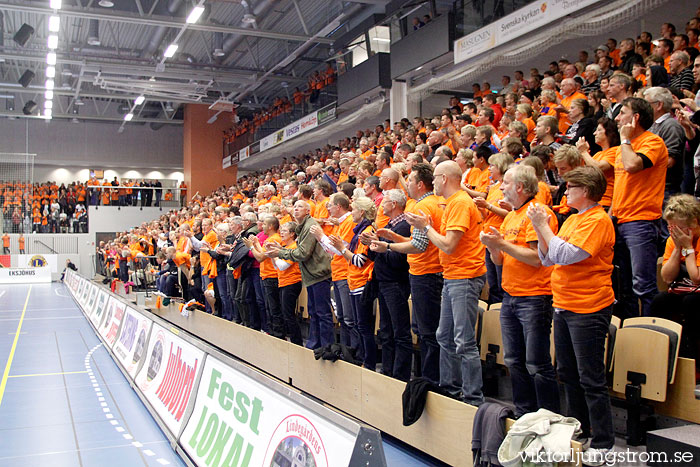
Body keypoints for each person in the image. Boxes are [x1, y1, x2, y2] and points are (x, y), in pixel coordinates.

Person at [527, 166, 615, 464]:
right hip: (564, 304)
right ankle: (579, 428)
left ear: (586, 191)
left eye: (570, 187)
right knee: (568, 373)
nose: (565, 192)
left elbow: (566, 255)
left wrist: (544, 226)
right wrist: (541, 229)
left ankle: (603, 440)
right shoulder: (574, 219)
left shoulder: (598, 220)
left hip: (589, 307)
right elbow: (547, 256)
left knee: (591, 377)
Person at [480, 164, 560, 417]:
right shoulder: (512, 215)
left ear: (520, 186)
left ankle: (548, 415)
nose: (500, 187)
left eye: (505, 182)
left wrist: (501, 243)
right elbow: (500, 261)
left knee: (537, 363)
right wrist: (493, 247)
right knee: (513, 360)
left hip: (535, 297)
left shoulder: (538, 213)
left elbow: (537, 258)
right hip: (511, 296)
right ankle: (524, 413)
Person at [406, 161, 486, 405]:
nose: (434, 183)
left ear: (444, 178)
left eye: (436, 178)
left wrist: (425, 227)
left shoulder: (460, 203)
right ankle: (450, 388)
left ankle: (472, 396)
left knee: (463, 340)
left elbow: (449, 245)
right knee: (444, 335)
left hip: (464, 276)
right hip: (453, 276)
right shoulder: (453, 203)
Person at [374, 163, 444, 385]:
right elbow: (416, 242)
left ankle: (428, 381)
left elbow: (419, 245)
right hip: (421, 273)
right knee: (420, 331)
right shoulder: (426, 205)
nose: (407, 185)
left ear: (420, 184)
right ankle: (423, 379)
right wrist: (392, 240)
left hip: (424, 273)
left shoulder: (423, 207)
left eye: (410, 181)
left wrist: (389, 246)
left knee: (426, 333)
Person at [613, 97, 669, 318]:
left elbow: (633, 166)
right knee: (624, 287)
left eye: (622, 113)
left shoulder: (652, 142)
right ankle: (630, 331)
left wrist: (625, 141)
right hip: (619, 220)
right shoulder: (622, 148)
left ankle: (647, 330)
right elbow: (619, 185)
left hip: (641, 221)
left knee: (643, 286)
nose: (617, 118)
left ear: (635, 118)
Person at [266, 200, 334, 350]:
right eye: (295, 206)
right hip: (311, 275)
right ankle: (315, 344)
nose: (296, 209)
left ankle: (326, 347)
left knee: (322, 313)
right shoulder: (302, 227)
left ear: (308, 211)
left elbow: (303, 253)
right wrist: (281, 249)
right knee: (314, 312)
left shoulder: (310, 226)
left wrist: (280, 252)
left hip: (318, 274)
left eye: (300, 207)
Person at [367, 189, 412, 381]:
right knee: (386, 331)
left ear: (394, 204)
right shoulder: (388, 226)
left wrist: (382, 247)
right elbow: (376, 255)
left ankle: (400, 375)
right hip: (384, 282)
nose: (381, 205)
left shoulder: (402, 227)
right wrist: (372, 244)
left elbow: (398, 260)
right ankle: (387, 371)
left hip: (396, 283)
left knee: (399, 331)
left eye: (384, 202)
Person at [651, 194, 700, 373]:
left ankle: (694, 362)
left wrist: (688, 248)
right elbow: (666, 277)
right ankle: (664, 359)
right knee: (660, 301)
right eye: (671, 227)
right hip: (684, 290)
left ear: (694, 222)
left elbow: (696, 277)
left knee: (691, 303)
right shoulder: (674, 240)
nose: (675, 232)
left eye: (680, 227)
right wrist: (678, 248)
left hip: (696, 294)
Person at [329, 197, 377, 370]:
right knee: (358, 324)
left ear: (362, 212)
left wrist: (342, 249)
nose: (352, 212)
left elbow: (358, 260)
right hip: (354, 282)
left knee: (363, 326)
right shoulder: (359, 231)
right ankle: (362, 359)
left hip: (362, 283)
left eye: (354, 209)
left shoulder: (367, 232)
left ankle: (368, 362)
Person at [271, 221, 305, 345]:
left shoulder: (293, 247)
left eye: (284, 231)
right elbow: (277, 267)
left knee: (289, 314)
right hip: (284, 282)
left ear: (292, 234)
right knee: (286, 313)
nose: (281, 233)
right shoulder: (285, 248)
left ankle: (297, 342)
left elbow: (283, 265)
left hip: (292, 282)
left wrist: (274, 255)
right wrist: (272, 255)